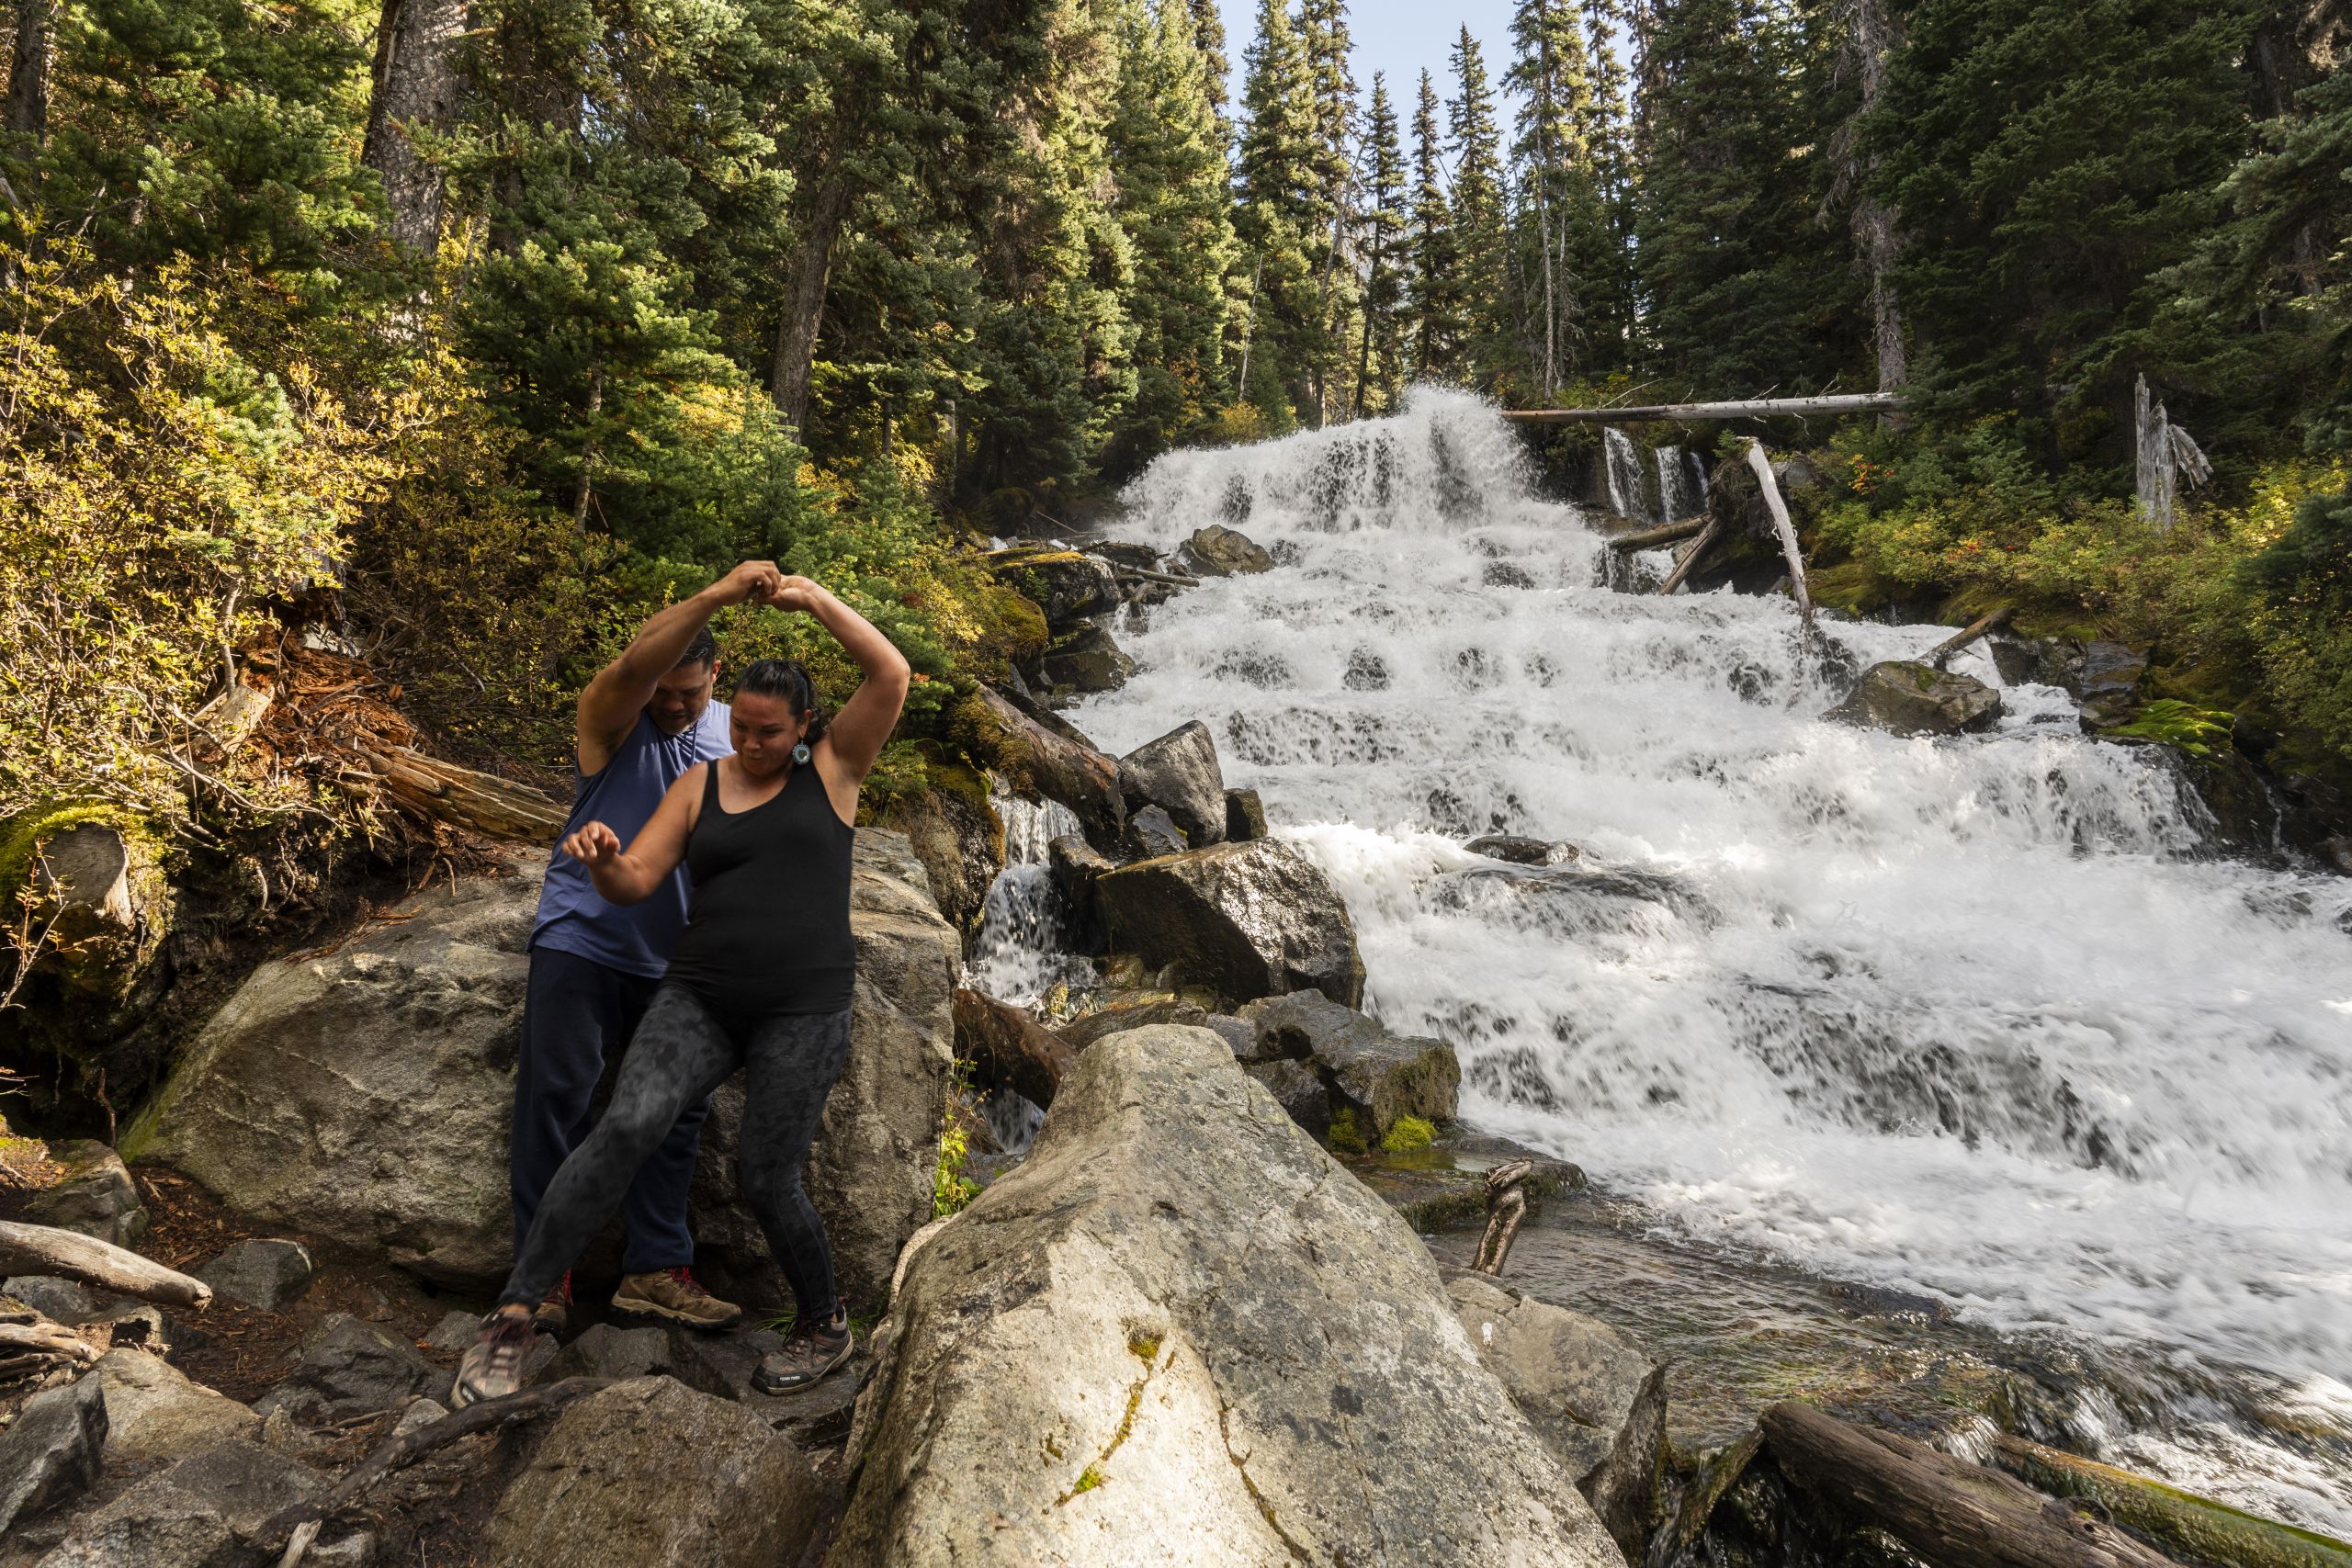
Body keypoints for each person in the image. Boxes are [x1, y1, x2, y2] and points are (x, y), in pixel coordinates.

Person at [455, 574, 910, 1405]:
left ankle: (824, 1321)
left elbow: (891, 673)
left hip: (802, 1006)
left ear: (805, 727)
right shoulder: (700, 780)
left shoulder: (835, 767)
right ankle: (516, 1311)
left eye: (769, 730)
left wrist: (817, 604)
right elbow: (635, 878)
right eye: (737, 724)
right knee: (625, 1122)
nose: (750, 740)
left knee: (768, 1175)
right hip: (699, 993)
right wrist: (600, 857)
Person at [512, 558, 785, 1337]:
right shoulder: (613, 713)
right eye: (662, 689)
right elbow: (634, 668)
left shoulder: (738, 735)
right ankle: (541, 1277)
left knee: (675, 1114)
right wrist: (720, 592)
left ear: (716, 677)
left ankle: (655, 1270)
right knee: (556, 1104)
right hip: (583, 939)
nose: (671, 704)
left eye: (688, 693)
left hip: (682, 960)